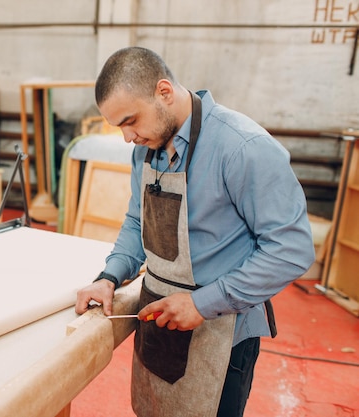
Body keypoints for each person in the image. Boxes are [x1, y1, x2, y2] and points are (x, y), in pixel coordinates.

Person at [75, 47, 315, 417]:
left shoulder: (242, 148)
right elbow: (138, 221)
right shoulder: (147, 147)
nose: (127, 138)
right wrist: (110, 275)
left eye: (130, 121)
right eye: (119, 126)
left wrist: (203, 303)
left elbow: (290, 249)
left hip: (222, 333)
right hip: (160, 321)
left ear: (164, 92)